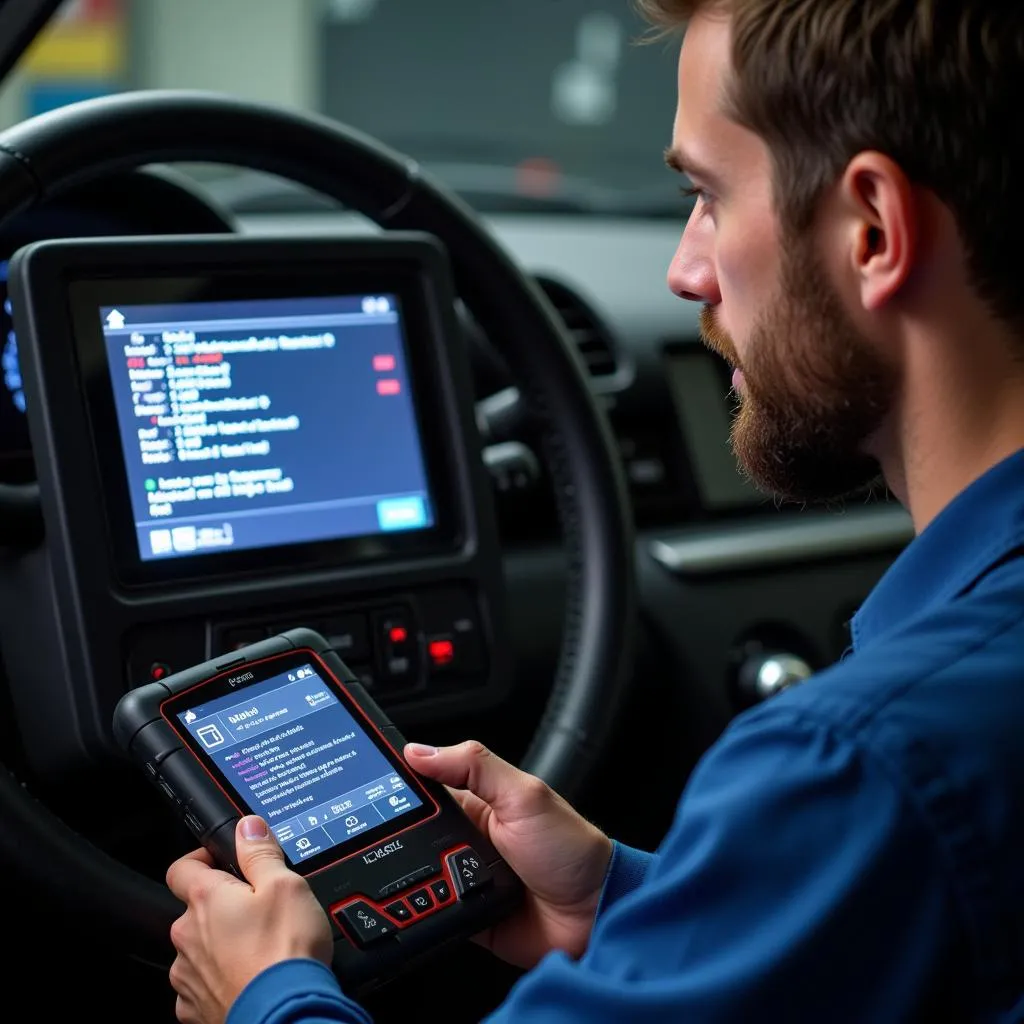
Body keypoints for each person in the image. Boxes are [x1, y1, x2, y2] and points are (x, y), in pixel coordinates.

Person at [165, 0, 1024, 1021]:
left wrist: (268, 992)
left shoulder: (864, 765)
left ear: (873, 229)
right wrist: (624, 901)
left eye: (705, 195)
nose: (683, 270)